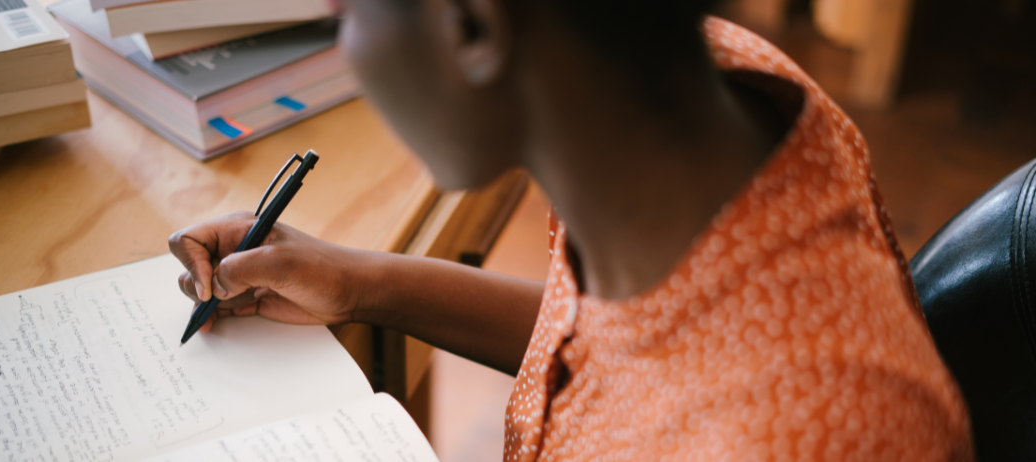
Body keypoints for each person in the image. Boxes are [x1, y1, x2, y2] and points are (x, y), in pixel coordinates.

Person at [169, 0, 974, 460]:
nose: (345, 45)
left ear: (474, 26)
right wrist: (362, 284)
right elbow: (613, 359)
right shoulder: (691, 107)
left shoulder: (812, 433)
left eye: (346, 12)